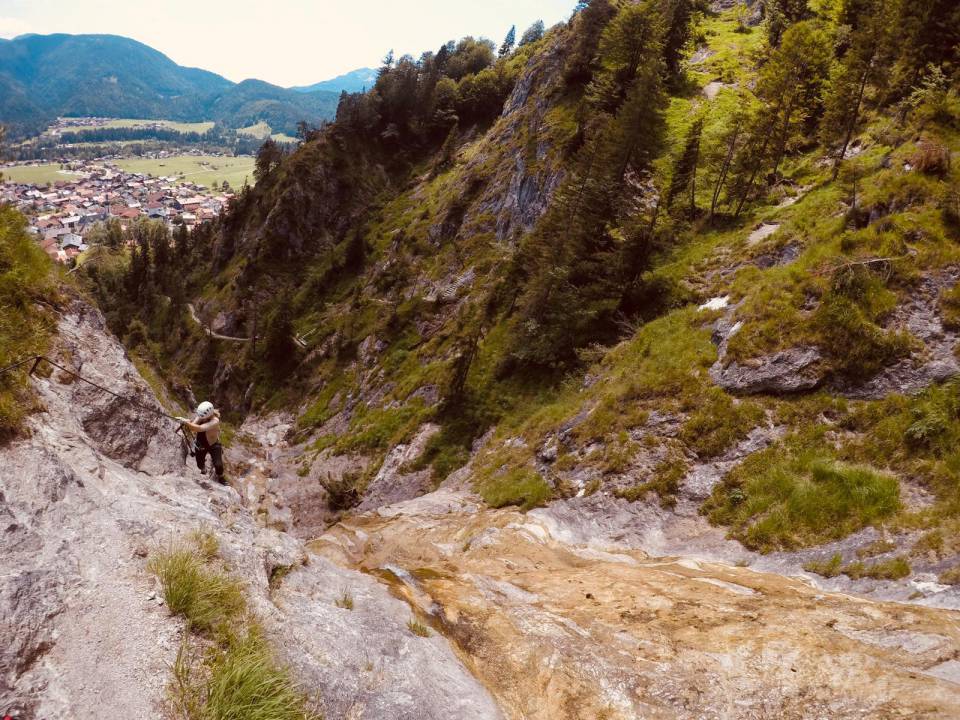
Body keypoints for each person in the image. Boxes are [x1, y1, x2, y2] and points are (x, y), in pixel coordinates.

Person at [176, 401, 225, 483]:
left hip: (213, 444)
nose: (201, 417)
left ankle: (220, 477)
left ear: (209, 414)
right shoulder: (202, 416)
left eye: (203, 416)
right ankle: (203, 468)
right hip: (201, 444)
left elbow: (199, 428)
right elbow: (193, 425)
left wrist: (187, 422)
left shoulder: (215, 421)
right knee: (199, 464)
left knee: (218, 465)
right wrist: (185, 421)